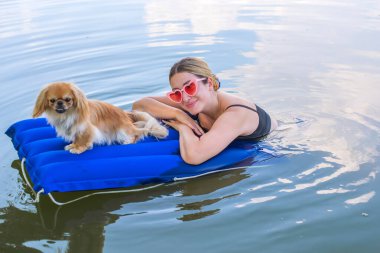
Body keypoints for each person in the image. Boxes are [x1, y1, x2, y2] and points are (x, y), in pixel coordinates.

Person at [132, 57, 277, 165]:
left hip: (273, 145)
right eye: (176, 93)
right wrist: (178, 114)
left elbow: (194, 156)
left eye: (190, 87)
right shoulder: (189, 100)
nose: (185, 98)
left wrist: (183, 127)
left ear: (208, 83)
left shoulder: (236, 114)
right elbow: (139, 105)